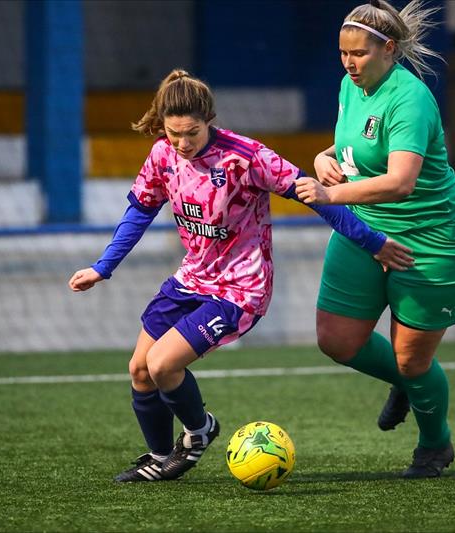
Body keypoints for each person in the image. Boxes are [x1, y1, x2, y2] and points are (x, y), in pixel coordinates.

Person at [69, 68, 414, 483]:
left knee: (162, 365)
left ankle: (198, 433)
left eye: (191, 134)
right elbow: (139, 212)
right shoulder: (163, 155)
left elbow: (314, 196)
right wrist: (103, 267)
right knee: (140, 370)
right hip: (190, 280)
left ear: (208, 120)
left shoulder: (245, 157)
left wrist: (372, 241)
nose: (181, 144)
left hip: (240, 290)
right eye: (173, 133)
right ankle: (161, 458)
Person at [295, 0, 455, 478]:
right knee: (336, 340)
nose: (348, 63)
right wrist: (322, 157)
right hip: (366, 230)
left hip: (430, 240)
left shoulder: (411, 98)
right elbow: (353, 142)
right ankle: (405, 379)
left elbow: (401, 181)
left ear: (388, 49)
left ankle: (435, 444)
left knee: (413, 361)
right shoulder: (349, 86)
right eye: (342, 53)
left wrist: (329, 193)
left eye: (358, 54)